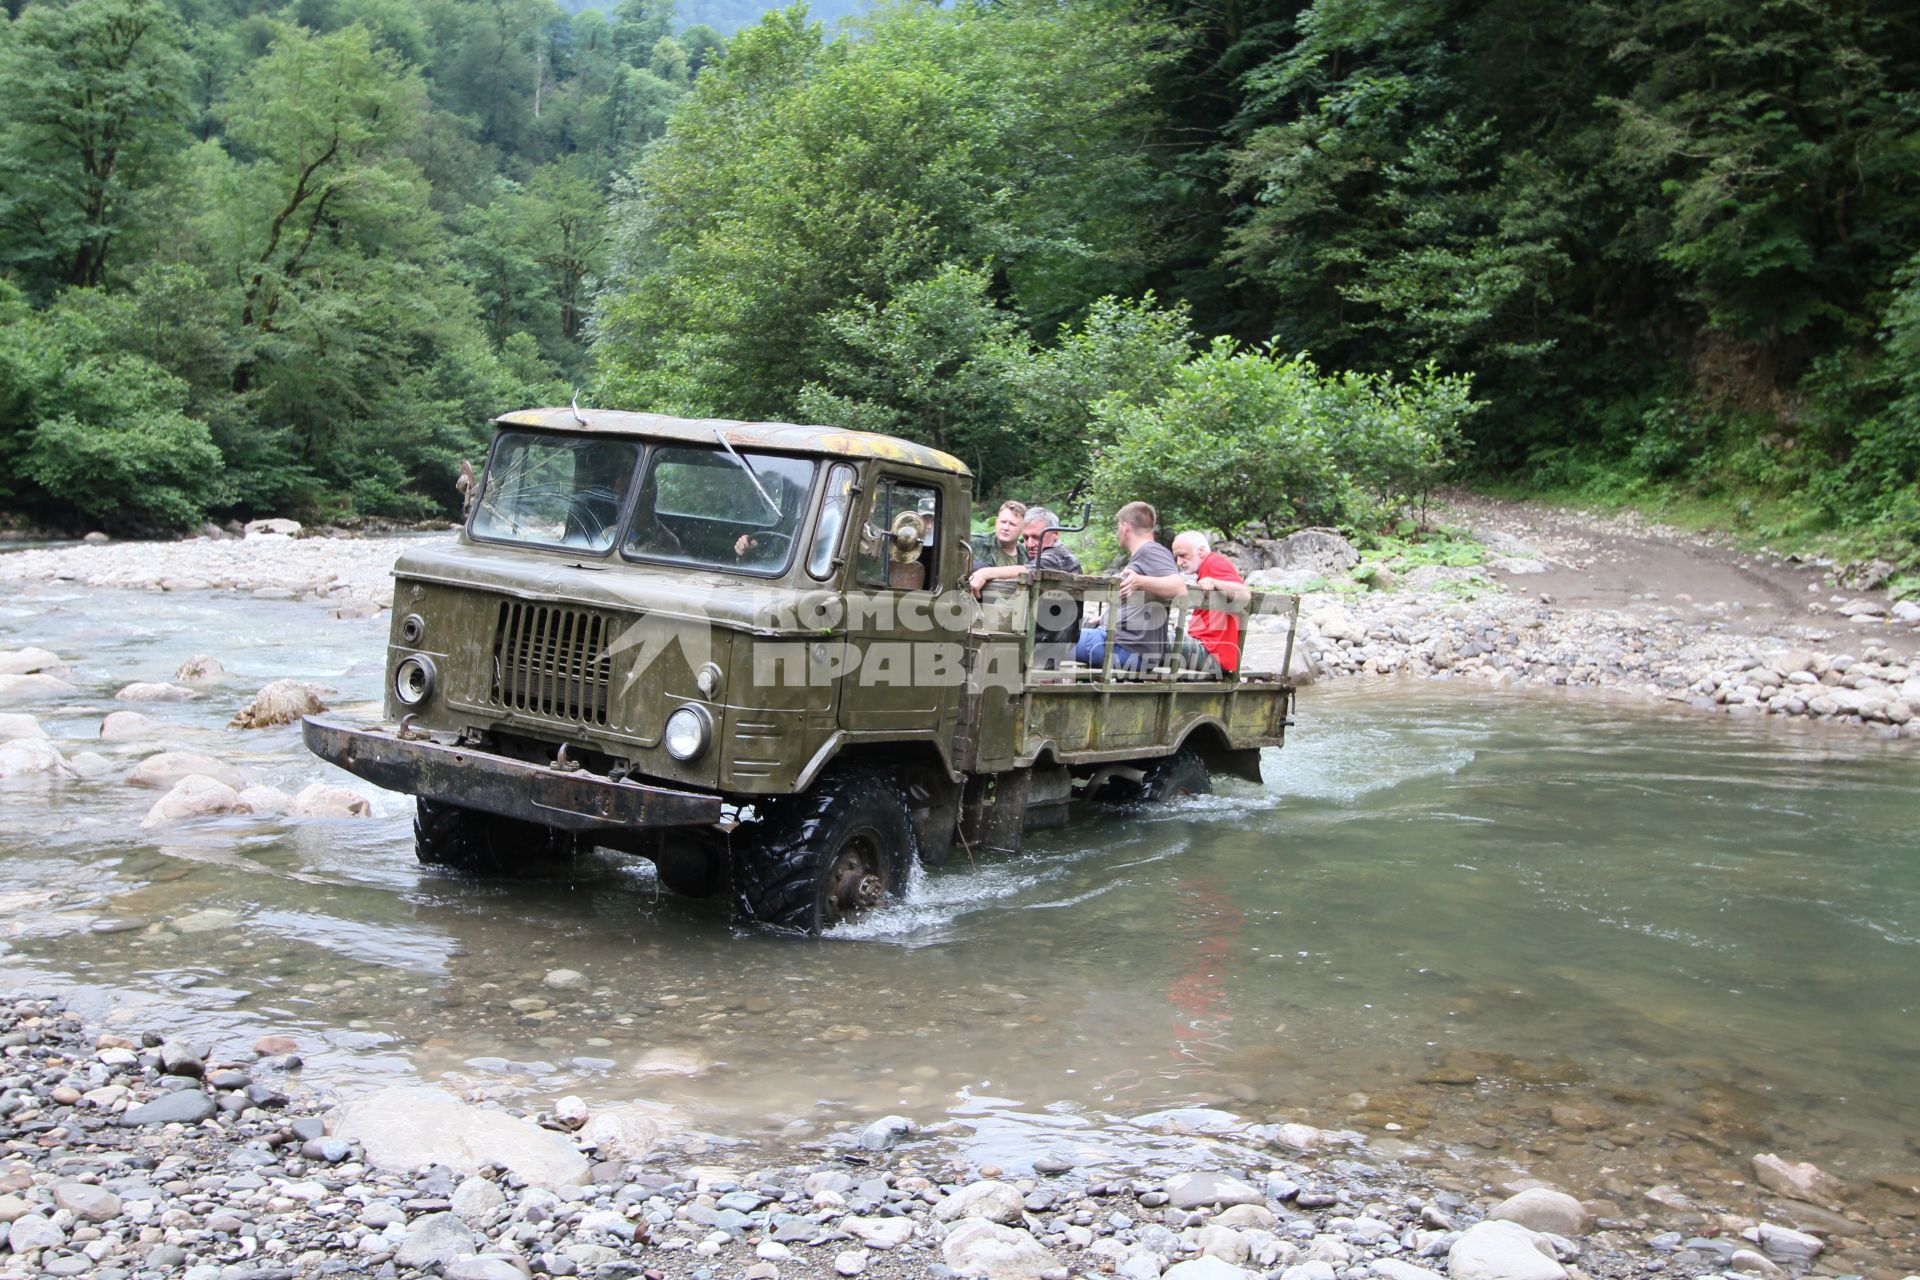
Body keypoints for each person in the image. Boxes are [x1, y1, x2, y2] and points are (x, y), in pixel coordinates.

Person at [1102, 528, 1251, 674]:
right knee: (1148, 638)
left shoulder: (1214, 563)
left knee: (1149, 641)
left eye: (1183, 555)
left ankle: (1112, 656)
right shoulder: (1206, 568)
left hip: (1213, 656)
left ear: (1201, 551)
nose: (1179, 562)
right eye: (1177, 557)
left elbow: (1245, 595)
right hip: (1211, 650)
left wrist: (1215, 582)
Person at [969, 507, 1084, 665]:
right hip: (1041, 637)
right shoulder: (1048, 556)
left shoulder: (1057, 557)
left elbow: (1026, 571)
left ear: (1055, 534)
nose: (1030, 544)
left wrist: (984, 573)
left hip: (1047, 643)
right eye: (1026, 538)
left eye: (1037, 537)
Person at [1073, 501, 1178, 672]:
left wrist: (1140, 581)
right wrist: (1105, 618)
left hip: (1126, 650)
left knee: (1051, 641)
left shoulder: (1150, 551)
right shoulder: (1145, 554)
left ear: (1125, 527)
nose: (1117, 532)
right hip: (1130, 648)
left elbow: (1178, 588)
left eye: (1117, 528)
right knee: (1058, 637)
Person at [971, 500, 1028, 573]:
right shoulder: (976, 543)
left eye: (1012, 524)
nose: (1005, 528)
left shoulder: (1026, 554)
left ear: (1022, 529)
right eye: (1003, 522)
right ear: (996, 523)